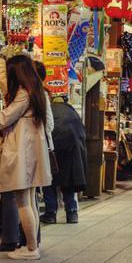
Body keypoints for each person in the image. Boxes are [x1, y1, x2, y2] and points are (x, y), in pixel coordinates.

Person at [0, 54, 53, 260]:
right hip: (30, 151)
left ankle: (30, 249)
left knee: (23, 202)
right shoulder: (36, 92)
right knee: (29, 200)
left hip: (23, 153)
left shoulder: (23, 94)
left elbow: (4, 117)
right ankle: (32, 244)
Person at [43, 85, 88, 224]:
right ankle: (72, 213)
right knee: (68, 180)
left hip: (53, 148)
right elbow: (82, 132)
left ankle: (51, 213)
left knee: (49, 179)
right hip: (72, 149)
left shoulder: (49, 109)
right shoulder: (71, 111)